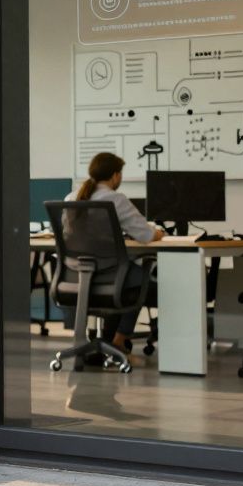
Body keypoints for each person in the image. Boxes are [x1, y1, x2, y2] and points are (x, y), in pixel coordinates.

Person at [65, 152, 164, 354]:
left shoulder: (71, 197)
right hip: (110, 277)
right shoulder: (116, 199)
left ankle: (108, 342)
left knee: (131, 277)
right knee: (142, 280)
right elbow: (146, 235)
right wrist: (159, 232)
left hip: (75, 278)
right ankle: (118, 341)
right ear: (115, 175)